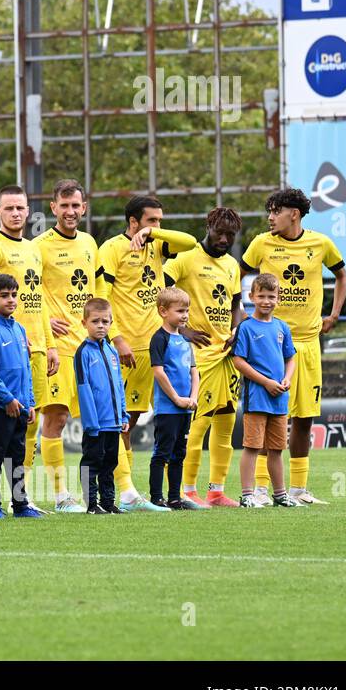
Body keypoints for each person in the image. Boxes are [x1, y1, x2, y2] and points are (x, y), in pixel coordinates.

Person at [240, 188, 346, 505]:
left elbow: (342, 275)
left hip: (308, 343)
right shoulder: (261, 243)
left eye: (275, 211)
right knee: (265, 415)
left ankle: (299, 489)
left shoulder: (321, 243)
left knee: (304, 418)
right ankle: (260, 488)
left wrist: (335, 314)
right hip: (268, 346)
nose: (270, 217)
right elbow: (236, 274)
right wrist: (241, 316)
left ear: (294, 214)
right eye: (269, 212)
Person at [93, 194, 197, 512]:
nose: (157, 226)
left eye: (160, 221)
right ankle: (123, 491)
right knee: (122, 423)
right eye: (151, 221)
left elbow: (190, 241)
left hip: (153, 348)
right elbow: (101, 296)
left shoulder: (156, 244)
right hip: (126, 350)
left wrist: (156, 233)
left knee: (146, 423)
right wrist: (117, 337)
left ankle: (161, 494)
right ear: (133, 221)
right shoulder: (111, 248)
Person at [163, 207, 245, 508]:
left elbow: (236, 303)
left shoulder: (233, 265)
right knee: (196, 425)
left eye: (230, 235)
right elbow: (159, 293)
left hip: (226, 354)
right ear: (208, 226)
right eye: (219, 232)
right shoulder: (185, 258)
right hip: (197, 357)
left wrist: (238, 328)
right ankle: (186, 490)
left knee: (225, 423)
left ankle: (216, 491)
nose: (224, 239)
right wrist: (181, 329)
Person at [33, 179, 97, 512]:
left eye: (76, 206)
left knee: (95, 422)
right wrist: (46, 321)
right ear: (53, 207)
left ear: (83, 208)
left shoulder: (89, 243)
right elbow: (31, 292)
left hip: (88, 348)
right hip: (58, 346)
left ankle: (99, 492)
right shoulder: (39, 245)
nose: (70, 211)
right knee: (55, 419)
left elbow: (95, 293)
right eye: (64, 205)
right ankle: (60, 495)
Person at [232, 274, 299, 508]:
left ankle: (280, 495)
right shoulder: (246, 327)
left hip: (280, 399)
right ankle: (247, 495)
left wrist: (286, 379)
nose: (266, 301)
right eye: (261, 296)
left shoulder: (282, 327)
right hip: (257, 398)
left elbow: (290, 358)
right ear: (252, 297)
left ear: (278, 298)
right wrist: (266, 383)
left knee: (277, 449)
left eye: (271, 296)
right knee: (252, 447)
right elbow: (238, 361)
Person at [0, 273, 42, 519]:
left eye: (14, 295)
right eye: (4, 296)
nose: (11, 300)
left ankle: (21, 504)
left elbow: (26, 369)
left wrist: (30, 402)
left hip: (20, 407)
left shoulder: (19, 328)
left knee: (17, 457)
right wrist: (7, 399)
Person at [72, 297, 127, 514]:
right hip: (96, 424)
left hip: (113, 423)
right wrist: (91, 423)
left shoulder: (113, 351)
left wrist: (123, 416)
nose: (101, 326)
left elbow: (118, 387)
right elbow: (84, 389)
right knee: (92, 462)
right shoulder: (83, 352)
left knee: (109, 464)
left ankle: (108, 502)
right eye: (95, 321)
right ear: (84, 323)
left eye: (105, 321)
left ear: (111, 323)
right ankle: (92, 504)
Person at [148, 287, 198, 510]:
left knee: (179, 453)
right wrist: (177, 398)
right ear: (163, 311)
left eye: (187, 310)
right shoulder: (159, 339)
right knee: (162, 453)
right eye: (180, 311)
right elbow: (158, 372)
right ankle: (156, 498)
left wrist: (193, 397)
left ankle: (175, 498)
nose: (185, 315)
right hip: (168, 409)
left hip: (186, 408)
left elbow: (194, 371)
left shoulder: (186, 340)